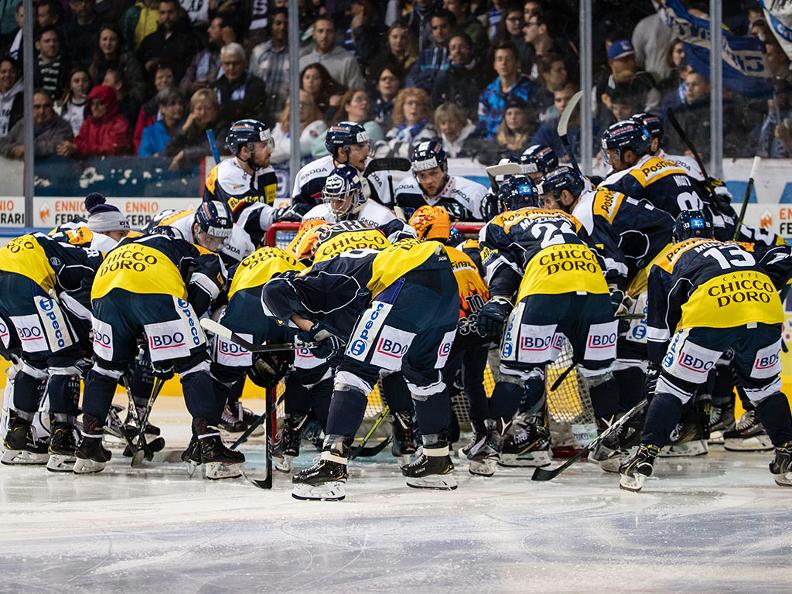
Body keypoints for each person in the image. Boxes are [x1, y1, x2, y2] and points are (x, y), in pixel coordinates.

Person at [263, 234, 460, 499]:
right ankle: (437, 463)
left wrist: (314, 330)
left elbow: (272, 291)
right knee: (423, 374)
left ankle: (332, 466)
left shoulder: (322, 270)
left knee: (353, 371)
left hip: (406, 280)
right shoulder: (369, 261)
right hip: (444, 284)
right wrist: (326, 336)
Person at [619, 210, 792, 491]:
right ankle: (788, 455)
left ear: (677, 237)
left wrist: (656, 369)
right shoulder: (735, 246)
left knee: (672, 390)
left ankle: (643, 459)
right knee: (766, 390)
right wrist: (763, 282)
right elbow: (785, 255)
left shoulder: (667, 257)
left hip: (711, 312)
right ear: (711, 234)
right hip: (765, 306)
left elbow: (660, 325)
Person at [474, 177, 618, 475]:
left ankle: (490, 448)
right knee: (599, 374)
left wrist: (500, 300)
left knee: (513, 373)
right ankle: (611, 447)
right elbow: (602, 258)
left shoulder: (498, 223)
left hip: (544, 285)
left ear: (503, 203)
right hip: (594, 286)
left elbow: (502, 268)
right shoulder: (567, 217)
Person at [73, 228, 237, 478]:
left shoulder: (124, 245)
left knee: (104, 369)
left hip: (104, 292)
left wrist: (143, 330)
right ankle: (210, 444)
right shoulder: (193, 250)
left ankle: (89, 446)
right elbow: (202, 291)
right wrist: (170, 337)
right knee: (194, 365)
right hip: (155, 288)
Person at [0, 229, 102, 469]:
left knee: (34, 361)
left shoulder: (46, 242)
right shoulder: (86, 257)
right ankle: (62, 440)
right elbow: (82, 298)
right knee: (65, 361)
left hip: (6, 287)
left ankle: (18, 437)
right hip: (29, 284)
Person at [203, 119, 293, 262]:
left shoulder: (267, 172)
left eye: (269, 144)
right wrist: (281, 214)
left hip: (252, 251)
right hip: (218, 250)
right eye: (263, 145)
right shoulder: (225, 174)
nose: (269, 150)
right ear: (245, 151)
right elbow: (246, 216)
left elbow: (262, 220)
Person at [292, 121, 391, 214]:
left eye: (366, 144)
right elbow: (298, 216)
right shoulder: (308, 175)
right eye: (360, 146)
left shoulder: (377, 172)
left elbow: (386, 214)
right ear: (342, 152)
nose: (367, 151)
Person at [393, 139, 488, 221]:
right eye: (422, 175)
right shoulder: (403, 191)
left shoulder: (473, 194)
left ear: (445, 168)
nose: (428, 181)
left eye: (433, 173)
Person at [477, 41, 549, 139]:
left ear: (517, 63)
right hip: (492, 146)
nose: (504, 63)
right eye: (499, 59)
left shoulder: (532, 89)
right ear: (494, 65)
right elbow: (482, 125)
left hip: (525, 142)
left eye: (508, 59)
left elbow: (538, 121)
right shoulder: (487, 94)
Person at [302, 165, 399, 229]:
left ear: (357, 195)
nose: (334, 206)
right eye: (331, 199)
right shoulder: (314, 217)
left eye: (340, 200)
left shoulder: (382, 217)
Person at [57, 84, 131, 158]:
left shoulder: (119, 123)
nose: (95, 108)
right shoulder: (89, 122)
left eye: (101, 103)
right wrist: (68, 148)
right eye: (92, 103)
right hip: (90, 166)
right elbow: (78, 141)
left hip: (115, 166)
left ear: (110, 104)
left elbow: (111, 150)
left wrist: (78, 148)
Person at [311, 89, 384, 159]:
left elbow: (362, 145)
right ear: (347, 106)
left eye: (367, 101)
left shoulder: (372, 126)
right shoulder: (336, 127)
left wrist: (336, 142)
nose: (364, 102)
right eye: (359, 99)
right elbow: (316, 149)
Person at [0, 89, 72, 160]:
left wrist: (28, 149)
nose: (42, 111)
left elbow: (56, 146)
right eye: (37, 107)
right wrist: (14, 150)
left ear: (52, 106)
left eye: (46, 106)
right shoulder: (22, 123)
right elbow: (3, 143)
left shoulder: (63, 126)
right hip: (19, 169)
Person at [137, 0, 198, 82]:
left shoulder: (189, 40)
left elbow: (189, 67)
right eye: (163, 13)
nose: (166, 17)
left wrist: (160, 62)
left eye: (170, 12)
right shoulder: (149, 40)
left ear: (178, 13)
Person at [431, 32, 488, 121]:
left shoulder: (482, 72)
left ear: (470, 49)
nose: (457, 51)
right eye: (453, 48)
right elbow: (436, 103)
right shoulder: (444, 76)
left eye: (461, 47)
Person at [299, 15, 365, 90]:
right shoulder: (303, 62)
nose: (324, 36)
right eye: (320, 31)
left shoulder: (347, 60)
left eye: (329, 31)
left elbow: (357, 91)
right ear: (314, 35)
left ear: (335, 35)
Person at [213, 43, 269, 129]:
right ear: (222, 65)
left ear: (244, 63)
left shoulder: (256, 85)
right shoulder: (217, 86)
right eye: (227, 64)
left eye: (235, 63)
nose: (231, 68)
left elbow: (254, 114)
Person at [165, 88, 220, 171]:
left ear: (215, 110)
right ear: (192, 111)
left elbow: (217, 148)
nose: (203, 113)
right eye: (199, 109)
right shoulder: (188, 127)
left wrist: (186, 153)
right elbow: (169, 150)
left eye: (208, 108)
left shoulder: (221, 126)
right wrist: (185, 128)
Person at [89, 25, 146, 105]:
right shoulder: (95, 65)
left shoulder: (128, 61)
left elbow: (139, 88)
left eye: (112, 40)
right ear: (99, 42)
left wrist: (122, 99)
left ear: (118, 41)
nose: (108, 43)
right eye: (104, 39)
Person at [249, 7, 289, 117]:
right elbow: (252, 82)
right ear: (271, 25)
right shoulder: (259, 51)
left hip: (285, 116)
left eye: (286, 23)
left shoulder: (298, 54)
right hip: (260, 114)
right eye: (278, 23)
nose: (282, 27)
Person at [269, 90, 327, 165]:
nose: (300, 106)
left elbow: (298, 149)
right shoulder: (280, 127)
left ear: (311, 108)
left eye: (304, 104)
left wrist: (276, 150)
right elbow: (266, 151)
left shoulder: (318, 125)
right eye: (296, 103)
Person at [379, 87, 436, 159]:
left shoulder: (429, 131)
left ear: (423, 109)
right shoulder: (394, 131)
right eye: (410, 103)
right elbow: (378, 149)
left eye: (418, 104)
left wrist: (392, 144)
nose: (414, 106)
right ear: (401, 108)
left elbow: (416, 153)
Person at [405, 9, 453, 91]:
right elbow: (412, 79)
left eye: (443, 26)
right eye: (435, 28)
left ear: (452, 28)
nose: (439, 31)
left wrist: (427, 76)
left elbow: (450, 82)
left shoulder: (457, 54)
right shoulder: (424, 54)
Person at [138, 88, 184, 157]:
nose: (178, 107)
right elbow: (143, 159)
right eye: (172, 104)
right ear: (162, 108)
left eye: (180, 103)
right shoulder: (150, 132)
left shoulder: (188, 127)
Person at [34, 26, 69, 100]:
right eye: (47, 41)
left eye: (55, 41)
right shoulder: (30, 68)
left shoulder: (68, 67)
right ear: (38, 45)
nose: (52, 44)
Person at [62, 0, 100, 69]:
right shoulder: (66, 30)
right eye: (78, 1)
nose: (83, 5)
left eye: (87, 1)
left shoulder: (103, 26)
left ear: (93, 2)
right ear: (71, 4)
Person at [55, 67, 92, 137]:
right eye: (76, 81)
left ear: (89, 83)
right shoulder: (59, 104)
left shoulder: (94, 105)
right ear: (70, 85)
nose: (81, 84)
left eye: (84, 81)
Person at [371, 64, 403, 131]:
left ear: (399, 83)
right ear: (377, 86)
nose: (387, 81)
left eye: (392, 79)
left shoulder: (404, 106)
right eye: (383, 79)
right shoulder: (371, 107)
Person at [0, 56, 23, 138]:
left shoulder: (24, 99)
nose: (7, 75)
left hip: (11, 147)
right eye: (3, 72)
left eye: (11, 72)